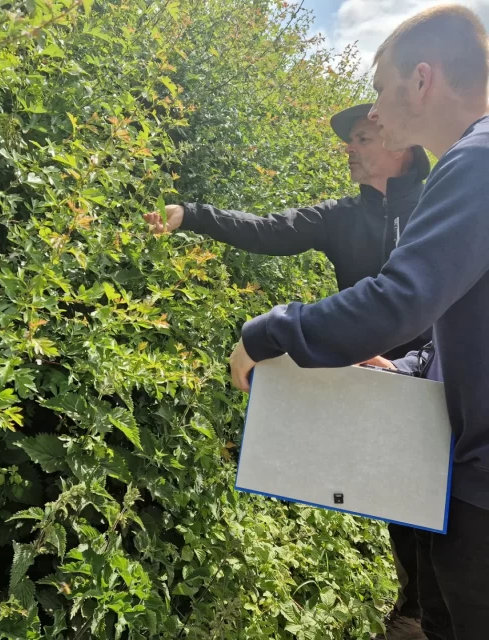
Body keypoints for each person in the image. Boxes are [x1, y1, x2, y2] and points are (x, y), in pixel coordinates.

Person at [228, 6, 489, 639]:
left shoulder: (475, 160)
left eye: (379, 89)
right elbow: (457, 316)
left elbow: (401, 298)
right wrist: (405, 365)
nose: (372, 112)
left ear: (421, 81)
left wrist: (267, 333)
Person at [145, 107, 430, 638]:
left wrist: (415, 363)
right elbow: (270, 230)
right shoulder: (343, 217)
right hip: (379, 386)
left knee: (453, 513)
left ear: (402, 144)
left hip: (444, 380)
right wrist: (193, 213)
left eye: (362, 137)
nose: (349, 148)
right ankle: (413, 610)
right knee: (405, 503)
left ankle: (431, 611)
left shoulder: (443, 207)